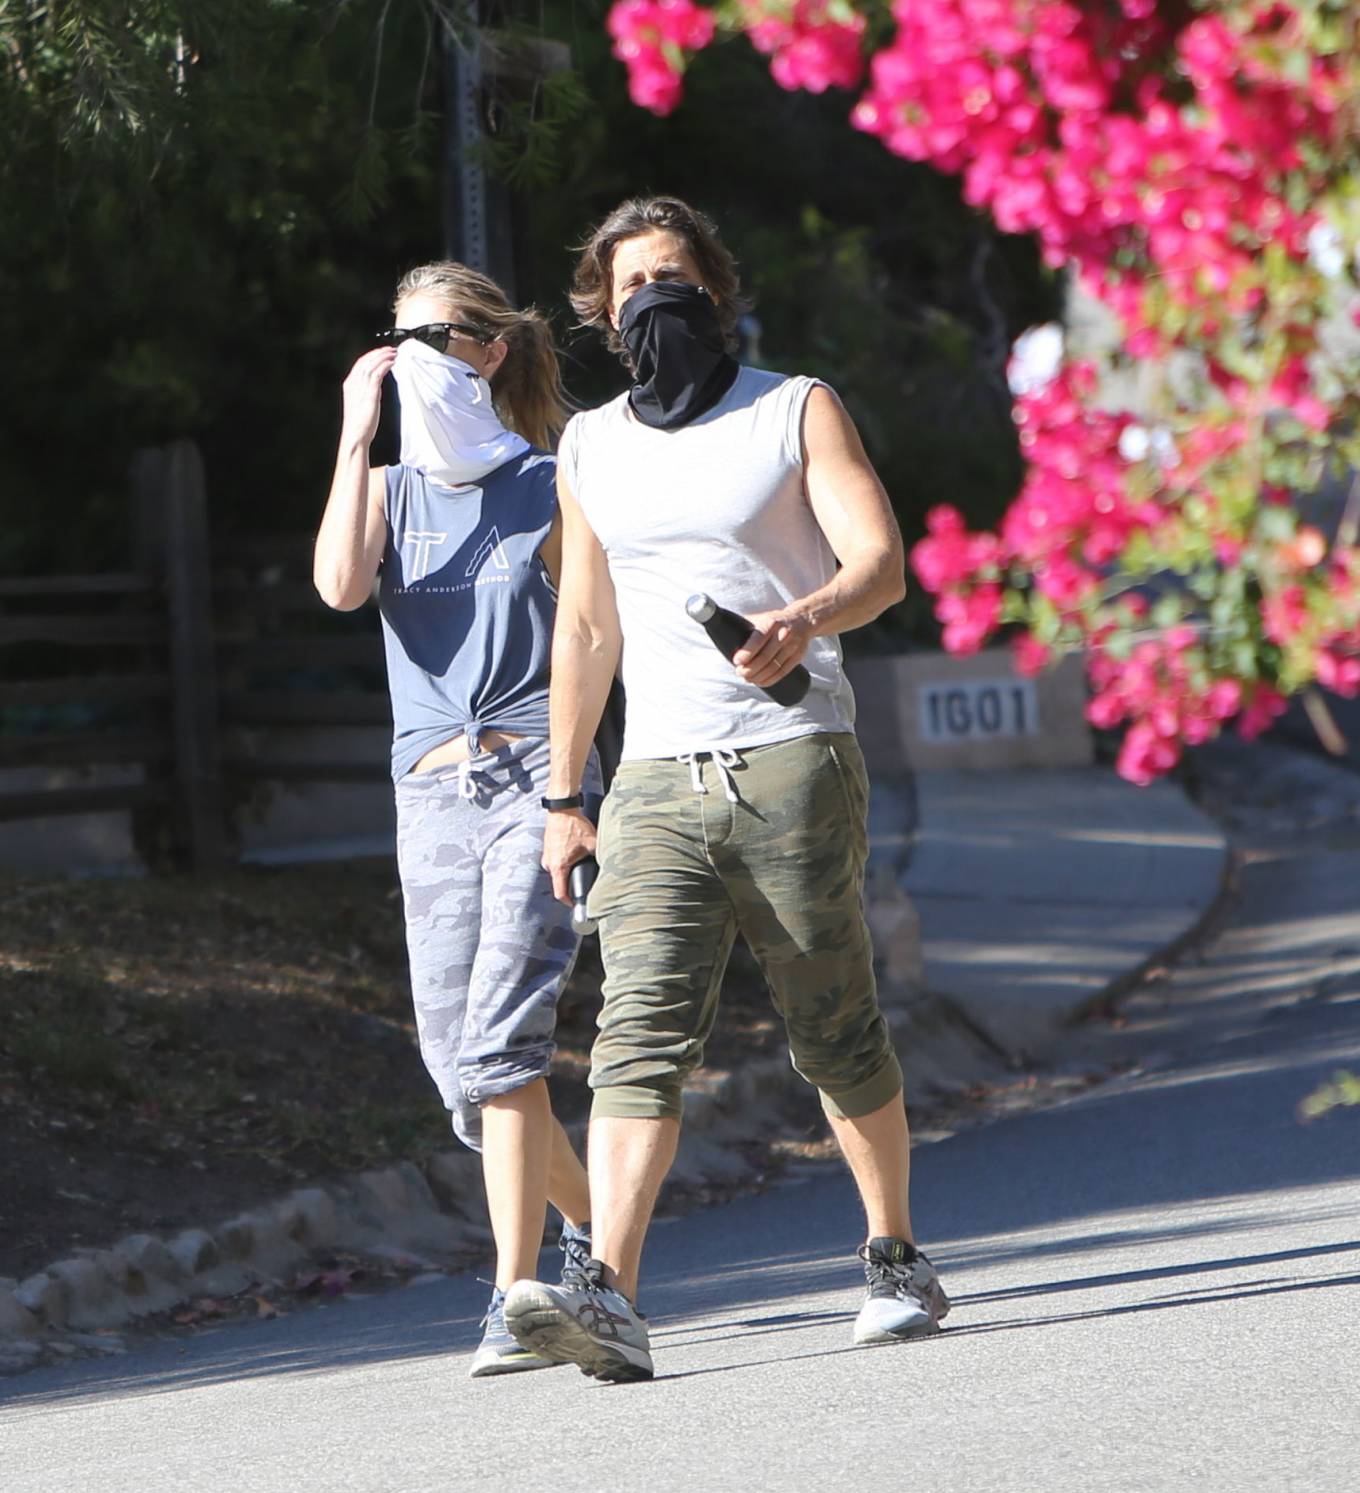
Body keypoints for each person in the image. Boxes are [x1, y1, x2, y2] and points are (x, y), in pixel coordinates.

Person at [502, 197, 950, 1382]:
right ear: (601, 309)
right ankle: (614, 1296)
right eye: (633, 280)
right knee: (632, 1035)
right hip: (652, 775)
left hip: (793, 754)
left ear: (716, 291)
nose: (657, 296)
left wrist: (800, 617)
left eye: (677, 276)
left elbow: (880, 564)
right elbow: (587, 626)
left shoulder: (792, 407)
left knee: (830, 1018)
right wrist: (564, 791)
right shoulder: (591, 444)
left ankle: (894, 1252)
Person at [312, 261, 600, 1378]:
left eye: (440, 334)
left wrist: (574, 791)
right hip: (427, 786)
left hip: (533, 769)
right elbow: (341, 585)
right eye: (401, 334)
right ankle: (585, 1228)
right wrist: (352, 435)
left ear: (489, 349)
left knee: (499, 1043)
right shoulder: (385, 489)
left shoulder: (548, 478)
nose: (420, 353)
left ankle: (511, 1291)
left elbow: (589, 635)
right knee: (460, 1075)